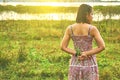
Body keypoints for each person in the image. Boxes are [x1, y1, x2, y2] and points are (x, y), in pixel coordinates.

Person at [60, 4, 105, 80]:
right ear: (87, 15)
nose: (92, 16)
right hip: (89, 63)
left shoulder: (70, 28)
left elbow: (62, 47)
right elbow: (102, 46)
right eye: (92, 14)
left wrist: (77, 53)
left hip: (75, 63)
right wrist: (86, 53)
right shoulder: (92, 29)